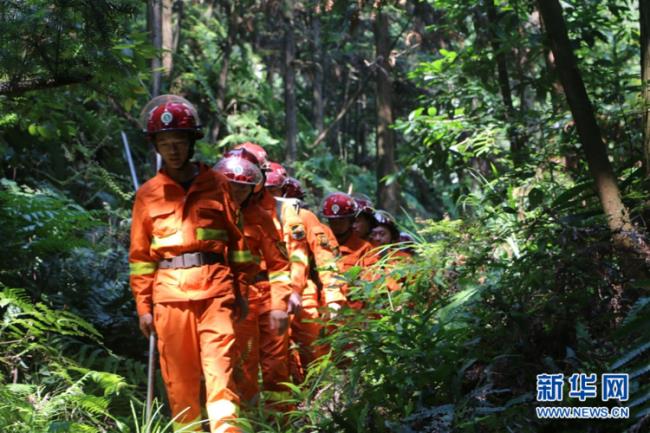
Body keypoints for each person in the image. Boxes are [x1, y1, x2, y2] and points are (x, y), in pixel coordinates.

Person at [129, 95, 248, 433]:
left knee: (220, 375)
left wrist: (241, 290)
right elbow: (139, 258)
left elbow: (238, 243)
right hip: (169, 298)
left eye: (178, 141)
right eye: (165, 143)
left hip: (216, 293)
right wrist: (143, 307)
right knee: (180, 385)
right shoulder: (147, 194)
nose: (173, 150)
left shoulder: (218, 184)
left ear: (191, 141)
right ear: (156, 145)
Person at [214, 152, 293, 408]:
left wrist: (280, 304)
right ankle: (242, 419)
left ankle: (278, 421)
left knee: (274, 363)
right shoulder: (207, 214)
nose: (237, 192)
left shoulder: (261, 218)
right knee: (238, 364)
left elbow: (280, 265)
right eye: (232, 186)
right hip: (226, 295)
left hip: (261, 293)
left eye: (243, 188)